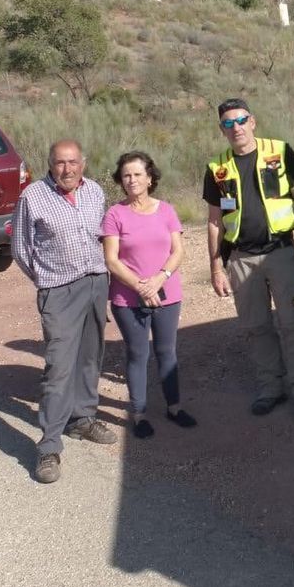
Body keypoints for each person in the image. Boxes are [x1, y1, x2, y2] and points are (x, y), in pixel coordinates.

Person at [204, 98, 294, 425]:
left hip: (281, 252)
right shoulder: (217, 167)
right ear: (222, 129)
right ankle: (271, 389)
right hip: (241, 258)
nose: (236, 128)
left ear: (252, 121)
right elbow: (215, 221)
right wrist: (216, 266)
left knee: (293, 325)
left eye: (241, 120)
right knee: (256, 328)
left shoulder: (280, 152)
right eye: (228, 123)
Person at [11, 139, 117, 484]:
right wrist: (48, 280)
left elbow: (104, 237)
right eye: (60, 163)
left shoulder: (96, 192)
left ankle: (82, 419)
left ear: (83, 163)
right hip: (59, 290)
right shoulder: (33, 197)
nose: (67, 169)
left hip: (96, 283)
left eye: (73, 162)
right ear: (50, 164)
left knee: (90, 357)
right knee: (59, 366)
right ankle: (48, 446)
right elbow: (21, 249)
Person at [103, 151, 197, 439]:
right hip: (128, 299)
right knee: (137, 354)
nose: (131, 180)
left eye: (137, 174)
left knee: (167, 352)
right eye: (126, 175)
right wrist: (141, 286)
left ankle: (174, 407)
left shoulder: (166, 210)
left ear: (150, 177)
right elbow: (112, 259)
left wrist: (159, 279)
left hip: (166, 293)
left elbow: (178, 250)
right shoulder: (114, 214)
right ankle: (139, 413)